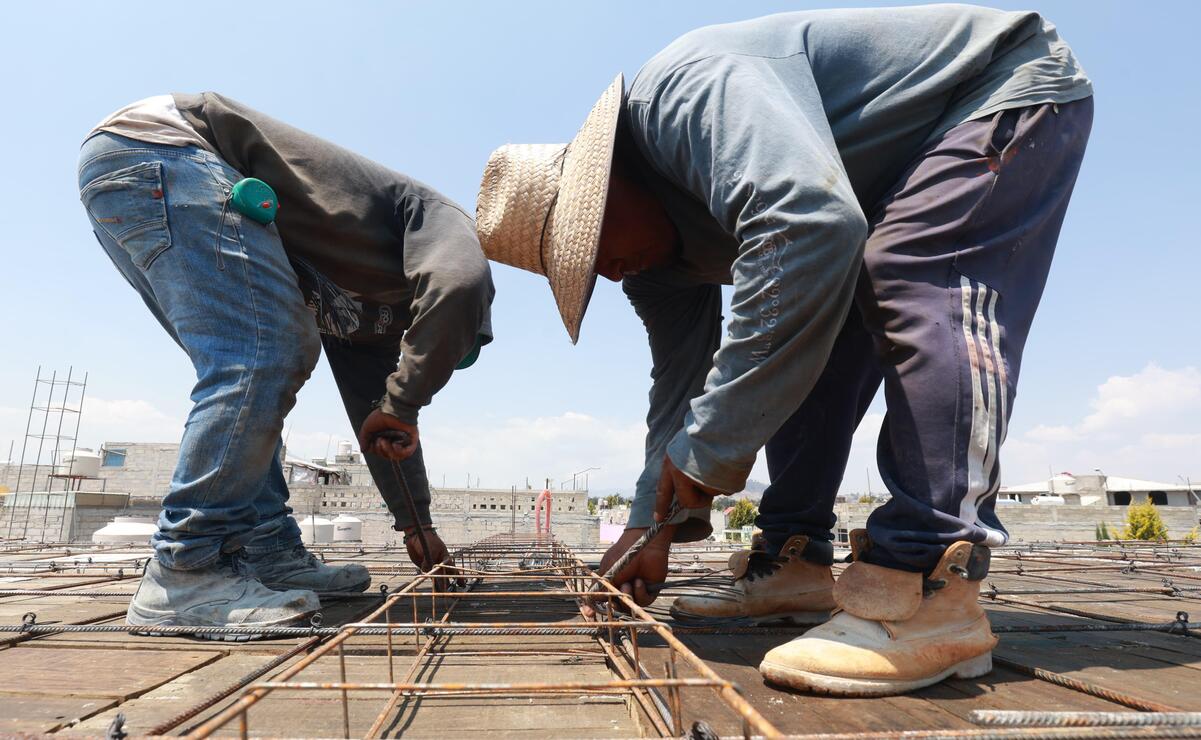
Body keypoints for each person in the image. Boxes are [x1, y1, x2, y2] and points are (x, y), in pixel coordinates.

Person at [475, 5, 1091, 695]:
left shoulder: (685, 94)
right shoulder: (654, 267)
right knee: (799, 344)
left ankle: (929, 582)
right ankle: (794, 560)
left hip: (992, 90)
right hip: (867, 190)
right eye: (586, 276)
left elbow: (811, 224)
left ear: (607, 182)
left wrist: (711, 450)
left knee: (912, 275)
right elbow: (681, 393)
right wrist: (650, 521)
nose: (608, 274)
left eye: (591, 252)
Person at [78, 93, 492, 636]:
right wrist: (407, 400)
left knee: (257, 372)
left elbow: (381, 424)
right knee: (261, 356)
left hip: (137, 173)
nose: (418, 353)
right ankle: (186, 567)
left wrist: (416, 523)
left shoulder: (364, 320)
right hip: (170, 153)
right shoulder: (441, 223)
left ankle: (268, 551)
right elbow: (460, 289)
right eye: (431, 344)